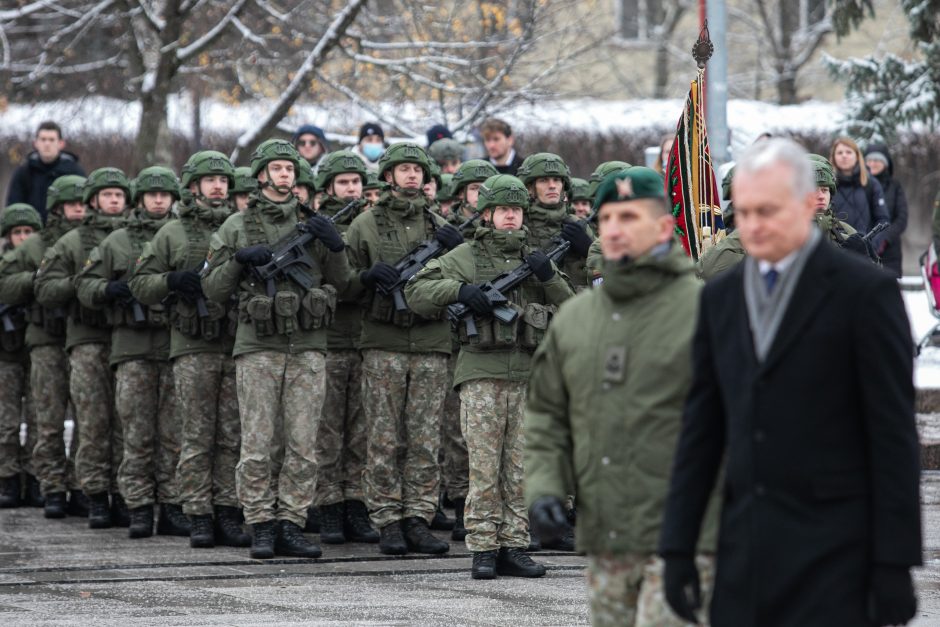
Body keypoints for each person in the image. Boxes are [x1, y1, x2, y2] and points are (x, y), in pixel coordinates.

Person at [659, 138, 921, 627]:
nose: (753, 225)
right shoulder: (721, 298)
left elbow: (892, 435)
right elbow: (701, 431)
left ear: (806, 204)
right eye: (746, 211)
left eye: (769, 211)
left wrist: (894, 562)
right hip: (745, 550)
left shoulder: (865, 294)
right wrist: (677, 548)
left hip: (838, 551)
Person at [525, 167, 717, 626]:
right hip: (608, 538)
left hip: (688, 536)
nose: (613, 229)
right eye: (606, 217)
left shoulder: (707, 312)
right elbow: (548, 414)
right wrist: (546, 488)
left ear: (664, 228)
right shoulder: (576, 318)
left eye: (629, 217)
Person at [407, 174, 574, 580]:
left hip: (528, 375)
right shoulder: (467, 255)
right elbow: (417, 289)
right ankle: (484, 547)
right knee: (484, 466)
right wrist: (460, 292)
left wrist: (548, 276)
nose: (511, 217)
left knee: (519, 466)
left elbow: (576, 310)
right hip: (482, 372)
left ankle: (514, 544)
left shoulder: (537, 258)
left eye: (517, 210)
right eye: (503, 210)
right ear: (487, 214)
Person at [201, 138, 353, 560]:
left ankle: (291, 522)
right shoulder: (236, 226)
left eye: (291, 168)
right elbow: (212, 289)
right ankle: (261, 524)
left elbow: (344, 284)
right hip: (259, 347)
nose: (286, 174)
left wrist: (336, 245)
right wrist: (237, 259)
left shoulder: (317, 223)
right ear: (262, 174)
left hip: (307, 345)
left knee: (303, 444)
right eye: (278, 168)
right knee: (257, 443)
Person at [345, 142, 463, 556]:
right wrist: (364, 276)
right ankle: (388, 520)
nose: (412, 176)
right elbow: (343, 284)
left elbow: (464, 277)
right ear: (389, 176)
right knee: (382, 437)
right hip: (384, 342)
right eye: (403, 169)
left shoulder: (439, 225)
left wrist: (458, 243)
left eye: (418, 170)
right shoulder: (365, 225)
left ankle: (418, 517)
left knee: (425, 438)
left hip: (431, 342)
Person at [129, 151, 249, 549]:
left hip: (234, 344)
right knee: (196, 435)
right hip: (193, 345)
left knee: (233, 435)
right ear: (194, 185)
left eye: (224, 180)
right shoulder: (171, 233)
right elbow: (140, 283)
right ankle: (197, 513)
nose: (218, 186)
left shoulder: (241, 226)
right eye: (210, 179)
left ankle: (229, 511)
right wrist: (172, 280)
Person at [75, 166, 187, 539]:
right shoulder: (117, 241)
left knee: (173, 433)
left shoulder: (181, 235)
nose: (158, 200)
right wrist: (108, 290)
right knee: (134, 432)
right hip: (133, 347)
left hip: (174, 343)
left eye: (165, 194)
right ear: (140, 199)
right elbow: (84, 284)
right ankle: (137, 506)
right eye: (152, 194)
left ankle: (171, 505)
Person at [34, 167, 131, 529]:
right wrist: (83, 284)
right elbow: (45, 287)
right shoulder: (73, 241)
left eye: (120, 195)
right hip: (87, 340)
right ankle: (92, 494)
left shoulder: (134, 238)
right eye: (107, 195)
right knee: (92, 423)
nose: (114, 201)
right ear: (94, 201)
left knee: (126, 424)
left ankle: (123, 494)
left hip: (125, 338)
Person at [0, 178, 86, 517]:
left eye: (83, 203)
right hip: (46, 340)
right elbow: (6, 283)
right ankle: (44, 484)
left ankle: (80, 485)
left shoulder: (96, 241)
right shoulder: (37, 245)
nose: (79, 209)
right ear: (57, 207)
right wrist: (38, 279)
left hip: (83, 337)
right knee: (44, 418)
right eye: (72, 204)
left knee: (88, 420)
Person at [306, 150, 378, 545]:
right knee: (328, 430)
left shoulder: (370, 223)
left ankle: (356, 503)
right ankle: (328, 505)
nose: (351, 188)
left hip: (365, 337)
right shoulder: (316, 226)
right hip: (331, 339)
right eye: (344, 182)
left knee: (361, 431)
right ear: (329, 186)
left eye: (356, 181)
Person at [0, 204, 42, 509]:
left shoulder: (46, 263)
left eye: (29, 232)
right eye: (17, 232)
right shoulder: (5, 265)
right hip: (6, 352)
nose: (23, 238)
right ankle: (8, 479)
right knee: (7, 421)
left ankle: (35, 477)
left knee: (40, 418)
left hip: (37, 349)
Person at [517, 153, 595, 294]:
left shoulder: (577, 224)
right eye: (544, 180)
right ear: (529, 188)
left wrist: (590, 250)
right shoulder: (519, 224)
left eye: (557, 180)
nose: (552, 186)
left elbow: (611, 275)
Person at [6, 121, 85, 223]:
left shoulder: (74, 172)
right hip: (32, 231)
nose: (47, 144)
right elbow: (13, 206)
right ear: (36, 143)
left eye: (51, 140)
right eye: (43, 139)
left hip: (66, 230)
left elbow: (85, 204)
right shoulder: (24, 172)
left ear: (61, 143)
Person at [829, 137, 888, 240]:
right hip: (833, 251)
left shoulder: (871, 184)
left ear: (857, 156)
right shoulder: (826, 186)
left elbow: (882, 220)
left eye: (848, 152)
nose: (844, 156)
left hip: (863, 251)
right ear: (833, 157)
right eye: (839, 153)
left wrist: (870, 247)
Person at [865, 144, 908, 277]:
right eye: (869, 160)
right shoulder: (860, 186)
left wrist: (884, 239)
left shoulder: (895, 186)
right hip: (863, 248)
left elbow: (902, 218)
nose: (872, 164)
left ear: (885, 163)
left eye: (877, 160)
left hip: (889, 252)